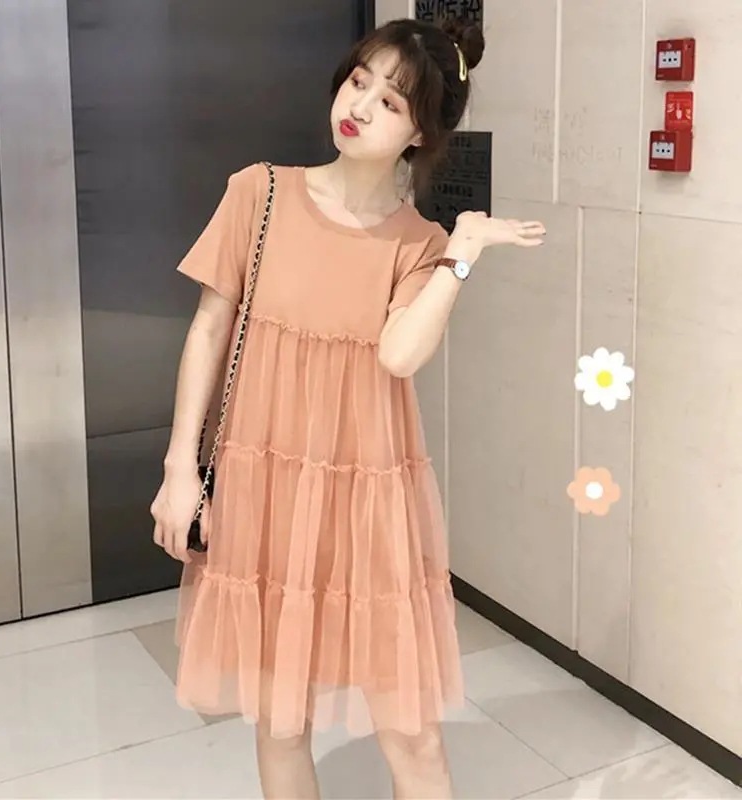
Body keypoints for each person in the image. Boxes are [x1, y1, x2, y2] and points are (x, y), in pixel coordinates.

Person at [151, 16, 545, 800]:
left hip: (370, 500)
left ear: (420, 132)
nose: (359, 105)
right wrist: (179, 470)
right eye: (359, 81)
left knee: (413, 735)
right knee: (280, 719)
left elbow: (400, 355)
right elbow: (208, 329)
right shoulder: (260, 193)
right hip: (264, 488)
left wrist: (461, 255)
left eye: (390, 101)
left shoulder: (419, 244)